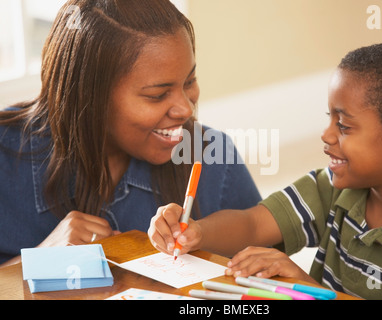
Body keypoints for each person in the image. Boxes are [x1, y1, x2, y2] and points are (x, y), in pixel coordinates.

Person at [149, 40, 382, 300]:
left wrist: (305, 288)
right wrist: (197, 233)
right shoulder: (332, 188)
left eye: (343, 126)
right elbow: (253, 224)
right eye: (329, 119)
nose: (326, 135)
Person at [0, 0, 261, 267]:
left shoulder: (213, 157)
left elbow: (271, 275)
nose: (185, 109)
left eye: (189, 81)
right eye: (157, 95)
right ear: (88, 97)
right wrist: (39, 260)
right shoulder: (5, 158)